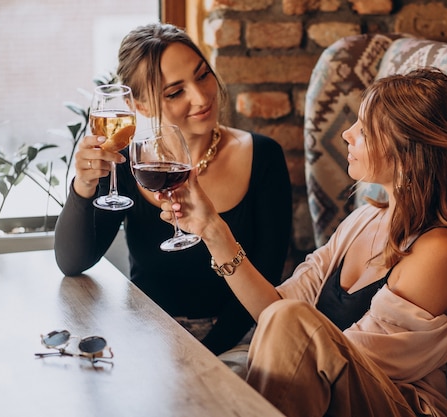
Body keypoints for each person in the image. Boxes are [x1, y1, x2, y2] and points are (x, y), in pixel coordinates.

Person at [157, 67, 447, 417]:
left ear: (408, 150)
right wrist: (211, 228)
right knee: (196, 376)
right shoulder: (364, 220)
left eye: (365, 128)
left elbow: (342, 356)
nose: (346, 134)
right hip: (315, 395)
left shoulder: (440, 252)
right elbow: (276, 313)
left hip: (393, 402)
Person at [54, 22, 293, 356]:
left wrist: (203, 357)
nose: (201, 96)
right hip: (146, 335)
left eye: (202, 75)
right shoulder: (128, 164)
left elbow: (267, 277)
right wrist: (82, 186)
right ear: (141, 106)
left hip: (238, 343)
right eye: (175, 92)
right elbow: (73, 261)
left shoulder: (263, 156)